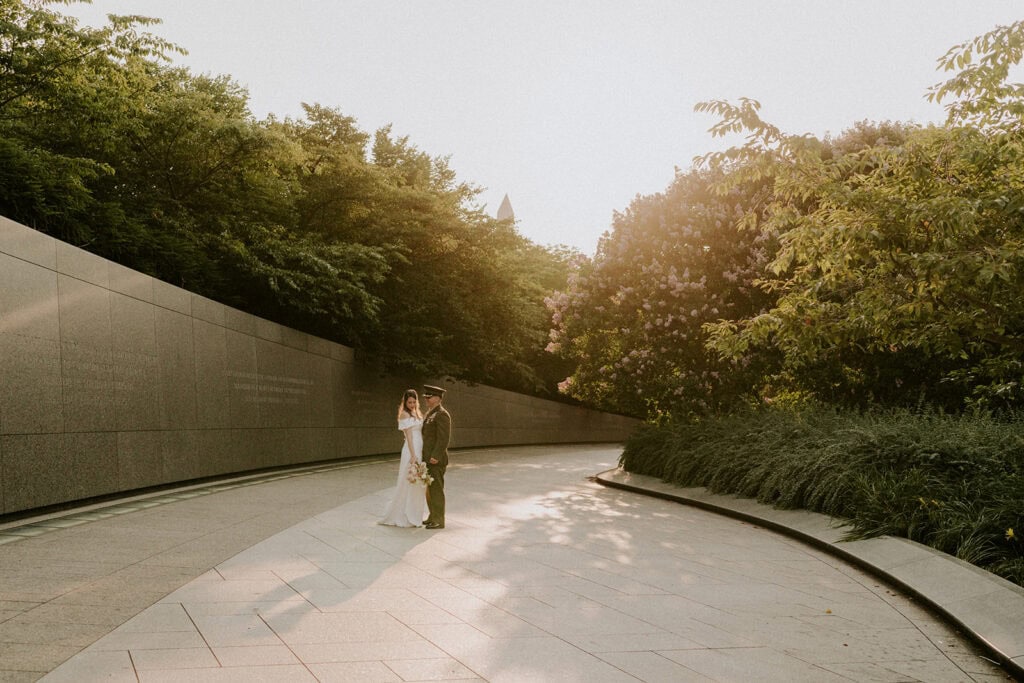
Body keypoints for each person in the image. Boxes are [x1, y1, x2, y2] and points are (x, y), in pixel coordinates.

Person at [379, 389, 428, 527]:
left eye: (414, 402)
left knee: (417, 482)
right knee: (407, 480)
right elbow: (409, 436)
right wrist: (413, 455)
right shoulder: (404, 415)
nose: (412, 404)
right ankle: (402, 514)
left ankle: (413, 513)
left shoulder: (417, 413)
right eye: (409, 402)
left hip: (419, 448)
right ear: (405, 402)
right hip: (410, 449)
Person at [421, 384, 451, 529]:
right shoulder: (430, 414)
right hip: (427, 458)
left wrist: (436, 456)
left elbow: (443, 438)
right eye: (426, 397)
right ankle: (432, 516)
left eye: (430, 397)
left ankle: (439, 520)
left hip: (435, 460)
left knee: (436, 489)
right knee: (430, 489)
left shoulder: (442, 414)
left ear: (438, 398)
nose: (427, 399)